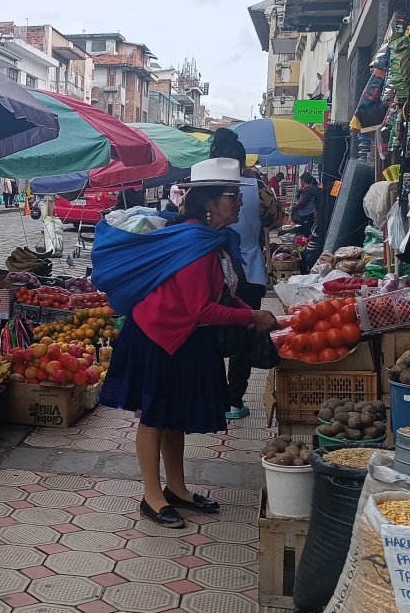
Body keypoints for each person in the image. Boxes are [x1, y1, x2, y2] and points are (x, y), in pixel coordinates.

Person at [97, 157, 279, 528]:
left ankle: (177, 489)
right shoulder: (196, 243)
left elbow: (222, 293)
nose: (240, 203)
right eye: (232, 196)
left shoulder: (211, 240)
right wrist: (252, 318)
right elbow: (202, 308)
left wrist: (249, 311)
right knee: (154, 418)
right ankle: (152, 497)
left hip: (182, 337)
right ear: (210, 202)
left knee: (173, 418)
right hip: (159, 337)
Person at [209, 128, 280, 420]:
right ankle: (234, 401)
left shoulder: (203, 187)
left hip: (211, 269)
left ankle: (213, 397)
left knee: (210, 334)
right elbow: (275, 219)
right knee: (245, 334)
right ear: (241, 161)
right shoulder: (258, 187)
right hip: (250, 271)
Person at [292, 172, 321, 236]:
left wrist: (294, 208)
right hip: (312, 215)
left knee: (306, 234)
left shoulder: (308, 190)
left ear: (302, 181)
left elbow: (303, 203)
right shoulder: (313, 188)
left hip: (307, 216)